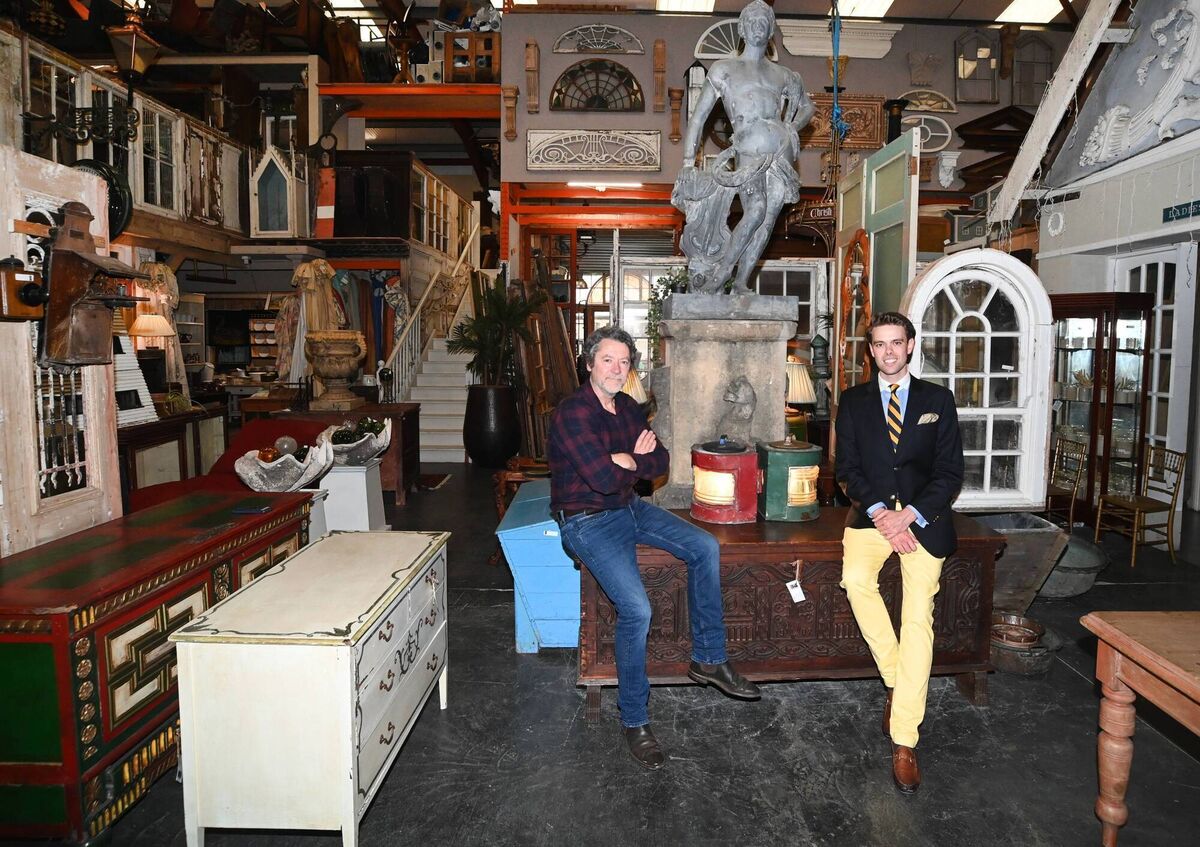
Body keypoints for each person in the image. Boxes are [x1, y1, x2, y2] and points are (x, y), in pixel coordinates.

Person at [549, 325, 760, 770]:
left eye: (624, 362)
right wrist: (628, 462)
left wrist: (627, 461)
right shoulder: (572, 413)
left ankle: (708, 659)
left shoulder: (627, 406)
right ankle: (635, 718)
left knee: (705, 546)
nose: (616, 368)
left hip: (629, 508)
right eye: (607, 359)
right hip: (586, 521)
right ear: (589, 364)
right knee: (638, 609)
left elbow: (660, 462)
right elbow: (600, 480)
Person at [834, 311, 964, 794]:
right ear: (871, 351)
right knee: (856, 581)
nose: (888, 352)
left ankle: (905, 737)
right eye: (879, 344)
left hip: (921, 522)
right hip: (871, 519)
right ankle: (897, 677)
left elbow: (950, 473)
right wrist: (881, 514)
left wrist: (908, 515)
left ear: (911, 345)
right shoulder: (853, 401)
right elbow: (846, 468)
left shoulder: (938, 400)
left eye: (896, 343)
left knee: (917, 619)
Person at [672, 0, 815, 293]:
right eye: (752, 20)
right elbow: (698, 119)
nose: (758, 24)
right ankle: (720, 275)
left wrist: (791, 126)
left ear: (771, 29)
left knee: (768, 220)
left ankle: (740, 283)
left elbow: (808, 108)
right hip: (749, 150)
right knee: (756, 210)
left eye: (764, 20)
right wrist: (688, 162)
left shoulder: (784, 75)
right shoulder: (724, 69)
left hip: (781, 153)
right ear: (742, 28)